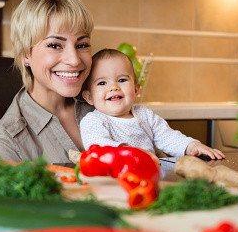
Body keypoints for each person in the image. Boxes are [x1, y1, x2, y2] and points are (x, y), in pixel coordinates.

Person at [0, 0, 95, 163]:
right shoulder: (8, 142)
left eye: (82, 45)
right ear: (25, 55)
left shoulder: (103, 103)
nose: (74, 60)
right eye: (54, 45)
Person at [80, 49, 225, 160]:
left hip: (151, 175)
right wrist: (131, 153)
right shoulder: (93, 121)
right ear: (89, 97)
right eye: (102, 83)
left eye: (122, 80)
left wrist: (192, 145)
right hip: (115, 178)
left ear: (136, 89)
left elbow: (167, 137)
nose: (113, 87)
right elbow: (98, 147)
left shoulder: (144, 114)